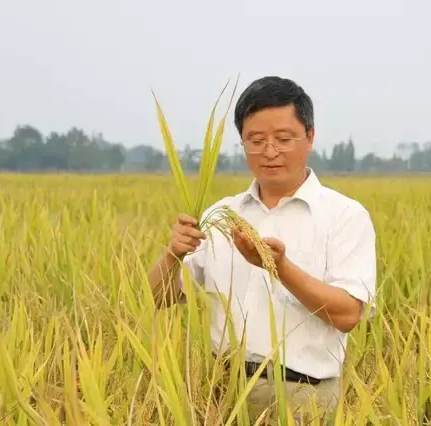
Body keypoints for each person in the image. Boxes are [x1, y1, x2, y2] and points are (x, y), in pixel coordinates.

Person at [148, 76, 377, 424]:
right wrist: (172, 253)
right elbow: (156, 297)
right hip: (222, 392)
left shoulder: (344, 216)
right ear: (242, 142)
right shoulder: (219, 216)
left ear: (309, 138)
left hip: (304, 398)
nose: (270, 151)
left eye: (284, 139)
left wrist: (278, 266)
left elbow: (347, 315)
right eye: (256, 140)